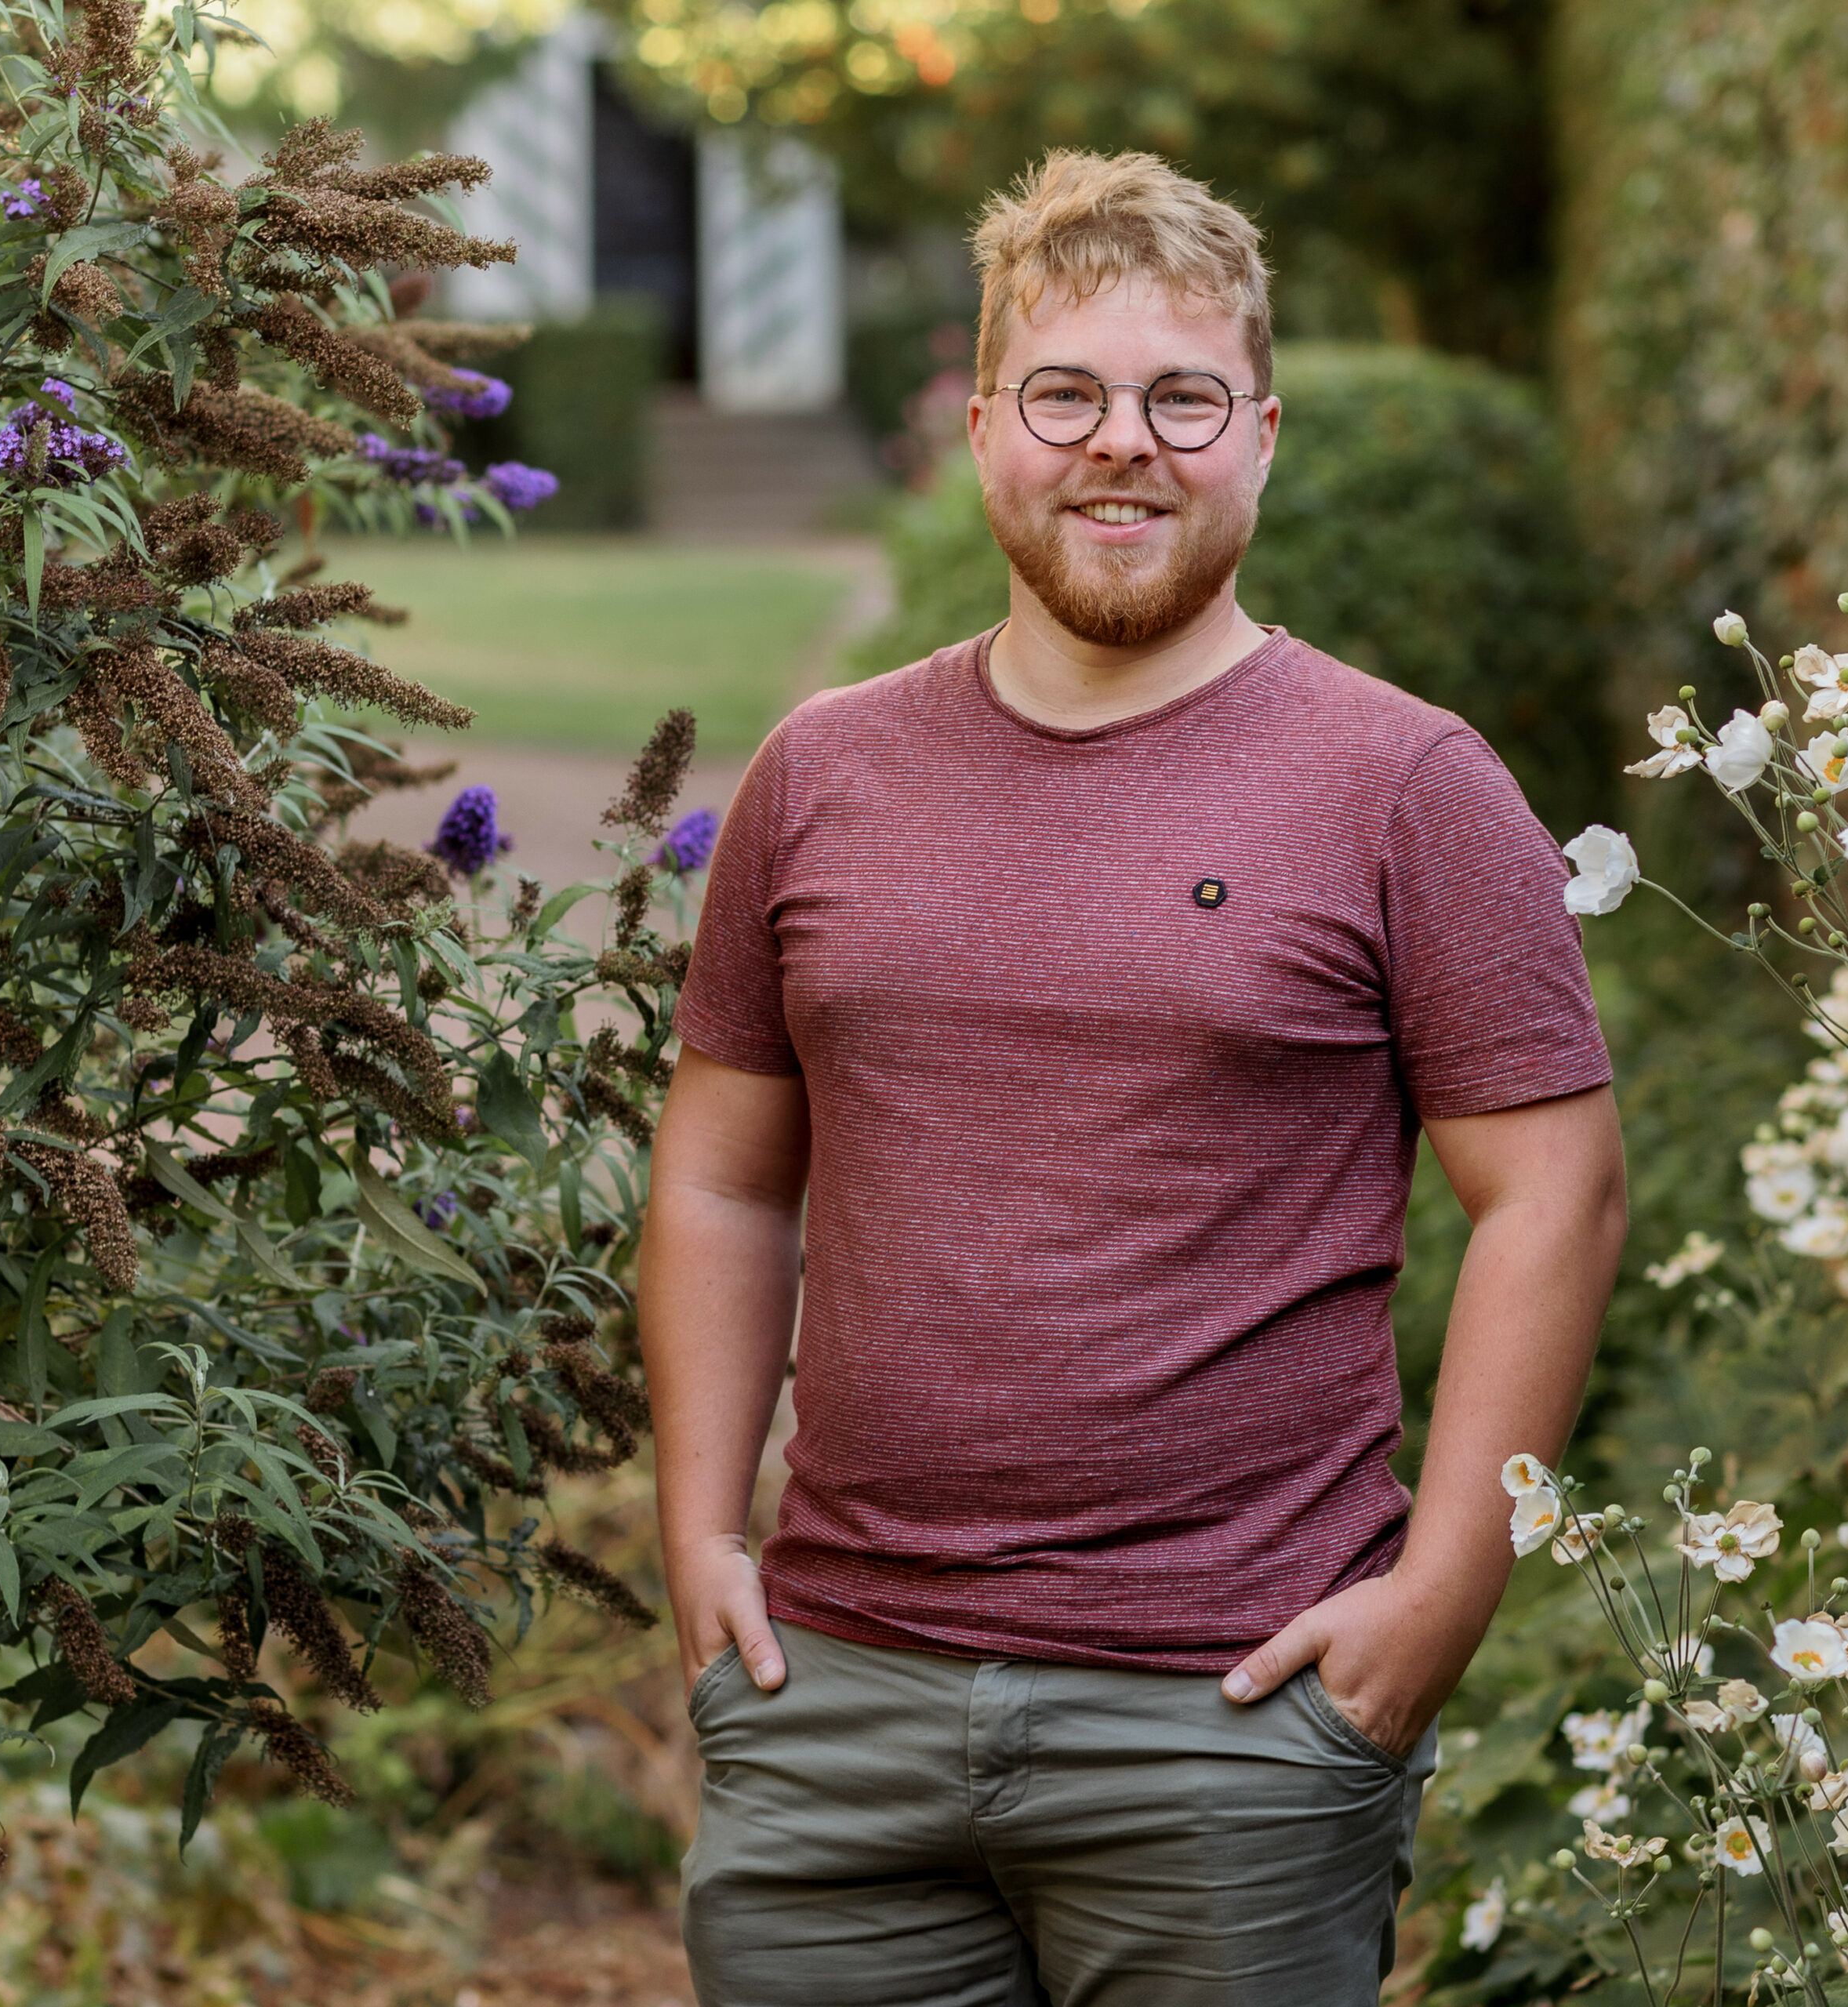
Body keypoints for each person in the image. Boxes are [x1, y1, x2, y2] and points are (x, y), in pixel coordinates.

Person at [637, 148, 1627, 2007]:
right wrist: (697, 1528)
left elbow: (1550, 1197)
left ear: (1258, 434)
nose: (1122, 445)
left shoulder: (1405, 783)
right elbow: (720, 1174)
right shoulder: (820, 771)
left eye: (1180, 398)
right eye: (1067, 394)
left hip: (1230, 1718)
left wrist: (1438, 1596)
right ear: (982, 422)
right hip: (832, 1699)